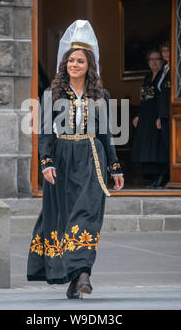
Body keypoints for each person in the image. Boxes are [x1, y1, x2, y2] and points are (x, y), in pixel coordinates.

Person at [26, 20, 124, 299]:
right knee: (64, 218)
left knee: (88, 216)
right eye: (71, 61)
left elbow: (106, 135)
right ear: (64, 64)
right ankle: (75, 277)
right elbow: (44, 133)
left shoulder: (100, 96)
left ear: (89, 65)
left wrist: (114, 168)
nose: (74, 65)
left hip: (92, 159)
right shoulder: (52, 94)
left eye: (80, 61)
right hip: (63, 158)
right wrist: (46, 162)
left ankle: (83, 273)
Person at [131, 49, 168, 188]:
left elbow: (163, 98)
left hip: (157, 115)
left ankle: (161, 177)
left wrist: (160, 116)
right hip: (146, 116)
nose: (154, 62)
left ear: (162, 61)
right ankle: (152, 178)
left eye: (157, 59)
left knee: (158, 147)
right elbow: (144, 99)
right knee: (148, 146)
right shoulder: (147, 78)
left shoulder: (163, 76)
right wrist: (138, 115)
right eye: (151, 59)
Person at [156, 41, 171, 187]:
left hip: (174, 113)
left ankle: (168, 177)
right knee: (166, 146)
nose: (166, 54)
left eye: (168, 50)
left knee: (171, 147)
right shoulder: (164, 68)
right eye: (164, 51)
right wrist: (159, 116)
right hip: (164, 113)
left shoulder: (177, 67)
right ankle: (164, 176)